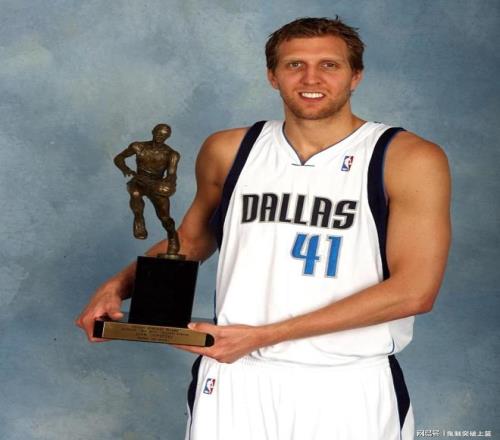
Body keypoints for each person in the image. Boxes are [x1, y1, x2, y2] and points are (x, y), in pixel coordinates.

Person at [76, 16, 451, 440]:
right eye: (295, 65)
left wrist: (264, 336)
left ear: (356, 76)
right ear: (273, 76)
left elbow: (414, 291)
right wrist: (118, 285)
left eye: (329, 65)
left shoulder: (406, 158)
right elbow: (193, 239)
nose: (311, 78)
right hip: (233, 377)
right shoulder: (229, 149)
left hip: (344, 381)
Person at [113, 123, 181, 254]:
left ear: (168, 137)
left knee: (164, 217)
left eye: (165, 135)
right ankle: (139, 219)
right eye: (159, 133)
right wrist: (125, 169)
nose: (161, 136)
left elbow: (172, 174)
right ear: (153, 131)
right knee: (135, 193)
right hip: (139, 180)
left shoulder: (172, 154)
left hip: (156, 184)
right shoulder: (138, 146)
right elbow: (119, 158)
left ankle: (172, 235)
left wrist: (169, 183)